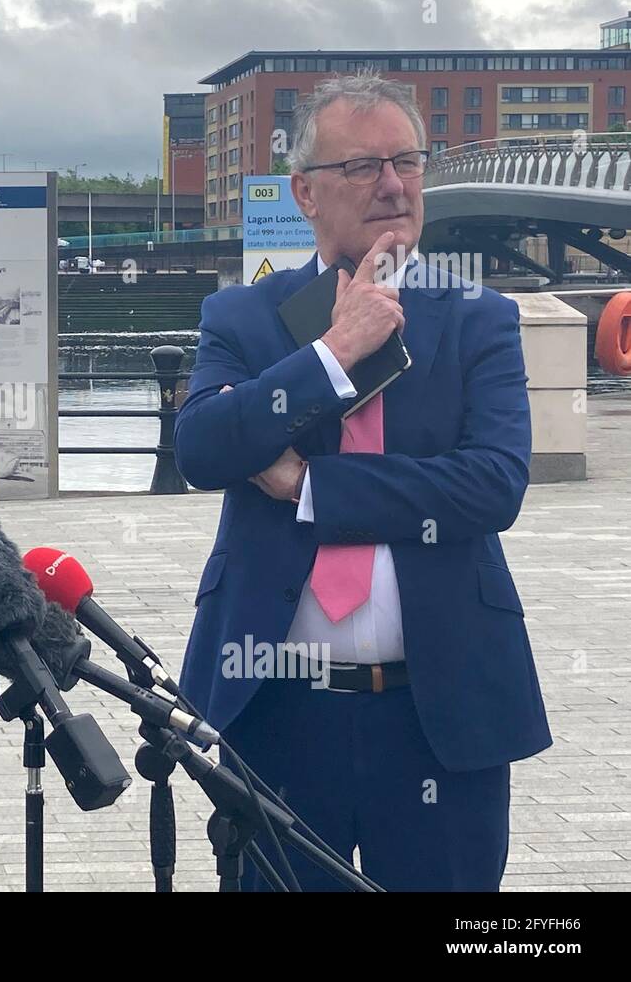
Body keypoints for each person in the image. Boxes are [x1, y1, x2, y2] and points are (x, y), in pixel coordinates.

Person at [173, 71, 551, 891]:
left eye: (407, 162)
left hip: (438, 718)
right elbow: (203, 448)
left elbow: (491, 484)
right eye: (363, 167)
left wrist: (315, 487)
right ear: (304, 192)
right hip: (275, 715)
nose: (391, 185)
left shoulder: (477, 318)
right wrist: (334, 351)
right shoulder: (244, 315)